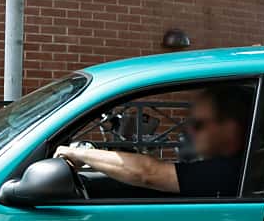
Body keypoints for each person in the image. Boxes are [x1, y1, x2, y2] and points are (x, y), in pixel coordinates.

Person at [54, 84, 252, 196]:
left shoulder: (231, 172)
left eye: (198, 124)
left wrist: (79, 154)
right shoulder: (241, 167)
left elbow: (149, 173)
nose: (189, 130)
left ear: (229, 128)